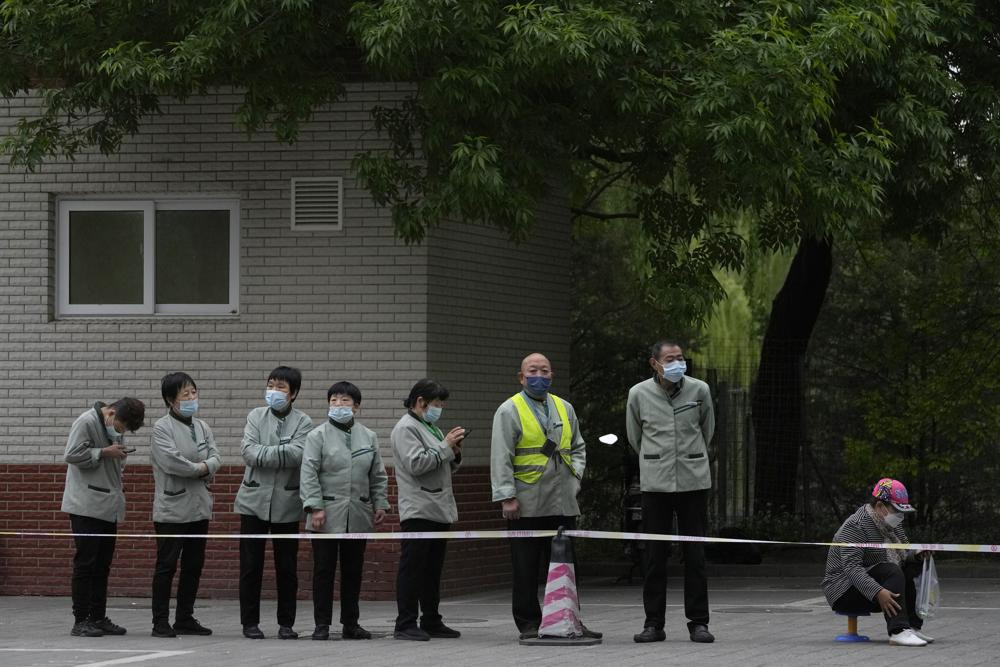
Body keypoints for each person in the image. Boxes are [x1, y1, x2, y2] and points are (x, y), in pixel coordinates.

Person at [490, 352, 597, 640]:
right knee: (525, 567)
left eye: (545, 371)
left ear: (552, 375)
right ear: (521, 377)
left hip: (562, 499)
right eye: (533, 371)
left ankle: (570, 619)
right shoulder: (509, 410)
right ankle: (528, 622)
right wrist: (506, 497)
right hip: (526, 500)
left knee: (566, 566)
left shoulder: (564, 407)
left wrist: (575, 478)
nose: (540, 376)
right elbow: (501, 456)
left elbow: (578, 447)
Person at [627, 339, 716, 644]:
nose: (677, 363)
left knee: (695, 555)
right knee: (654, 556)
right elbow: (635, 436)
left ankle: (699, 623)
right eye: (670, 358)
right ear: (655, 363)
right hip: (656, 482)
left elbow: (708, 430)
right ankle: (653, 623)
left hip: (693, 481)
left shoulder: (699, 390)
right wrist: (657, 458)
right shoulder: (638, 394)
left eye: (680, 358)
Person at [300, 381, 390, 641]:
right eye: (334, 400)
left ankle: (351, 623)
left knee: (353, 570)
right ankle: (322, 625)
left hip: (358, 513)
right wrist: (315, 506)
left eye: (345, 401)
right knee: (324, 571)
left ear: (357, 407)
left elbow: (377, 474)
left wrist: (380, 503)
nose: (338, 405)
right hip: (325, 514)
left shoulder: (368, 436)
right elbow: (309, 473)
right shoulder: (317, 435)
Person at [235, 366, 313, 640]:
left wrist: (266, 453)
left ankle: (286, 624)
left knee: (287, 568)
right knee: (250, 566)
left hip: (287, 504)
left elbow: (299, 453)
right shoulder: (256, 416)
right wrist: (280, 452)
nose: (274, 391)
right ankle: (249, 623)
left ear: (293, 394)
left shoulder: (304, 421)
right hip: (253, 501)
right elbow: (248, 452)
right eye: (271, 385)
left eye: (281, 387)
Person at [61, 397, 146, 637]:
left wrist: (118, 454)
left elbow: (112, 458)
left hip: (109, 505)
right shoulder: (86, 421)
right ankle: (80, 620)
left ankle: (98, 616)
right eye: (121, 427)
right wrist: (103, 452)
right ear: (112, 413)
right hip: (86, 505)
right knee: (85, 564)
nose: (121, 432)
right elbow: (71, 455)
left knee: (102, 565)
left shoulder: (114, 426)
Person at [391, 379, 466, 641]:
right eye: (437, 404)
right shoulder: (406, 428)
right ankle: (405, 622)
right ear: (421, 402)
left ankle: (431, 619)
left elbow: (442, 462)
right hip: (419, 509)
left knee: (432, 569)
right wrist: (446, 446)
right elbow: (417, 464)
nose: (440, 409)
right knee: (413, 567)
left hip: (438, 508)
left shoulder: (430, 427)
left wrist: (454, 452)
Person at [149, 372, 222, 638]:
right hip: (172, 508)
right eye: (185, 394)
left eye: (193, 392)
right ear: (170, 400)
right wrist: (202, 468)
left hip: (199, 506)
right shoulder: (161, 428)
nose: (191, 398)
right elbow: (172, 462)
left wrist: (204, 467)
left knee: (194, 565)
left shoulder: (202, 426)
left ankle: (185, 617)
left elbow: (216, 455)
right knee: (166, 565)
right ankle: (160, 621)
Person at [822, 478, 933, 647]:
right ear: (880, 506)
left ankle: (912, 627)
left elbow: (903, 553)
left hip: (874, 579)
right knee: (892, 570)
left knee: (915, 566)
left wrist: (916, 555)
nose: (900, 516)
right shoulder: (855, 525)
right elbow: (852, 569)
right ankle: (898, 631)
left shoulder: (892, 524)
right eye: (896, 510)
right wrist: (878, 592)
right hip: (843, 589)